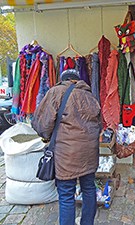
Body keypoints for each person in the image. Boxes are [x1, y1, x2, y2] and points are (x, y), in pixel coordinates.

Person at [31, 69, 101, 225]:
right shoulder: (90, 96)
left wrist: (46, 136)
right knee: (89, 189)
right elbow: (98, 124)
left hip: (66, 154)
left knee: (66, 194)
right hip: (89, 152)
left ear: (64, 80)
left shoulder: (56, 92)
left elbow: (42, 123)